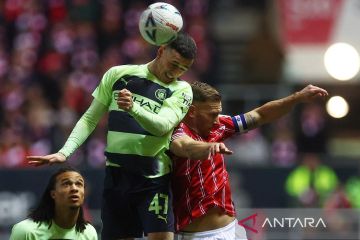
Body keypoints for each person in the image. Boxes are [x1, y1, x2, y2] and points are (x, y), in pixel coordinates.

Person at [27, 32, 197, 240]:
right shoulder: (119, 74)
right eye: (174, 64)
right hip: (117, 176)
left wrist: (134, 107)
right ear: (161, 51)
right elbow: (90, 118)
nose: (176, 72)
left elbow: (163, 126)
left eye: (183, 68)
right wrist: (65, 152)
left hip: (154, 177)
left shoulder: (182, 89)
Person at [169, 81, 328, 239]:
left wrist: (297, 98)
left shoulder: (219, 125)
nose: (217, 119)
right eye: (212, 114)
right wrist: (209, 148)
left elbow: (260, 114)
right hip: (199, 236)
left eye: (219, 113)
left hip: (232, 230)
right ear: (192, 111)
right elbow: (184, 146)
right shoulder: (176, 132)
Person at [10, 166, 98, 240]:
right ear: (53, 194)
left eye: (79, 184)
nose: (74, 188)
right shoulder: (26, 231)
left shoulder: (89, 233)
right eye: (66, 184)